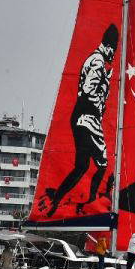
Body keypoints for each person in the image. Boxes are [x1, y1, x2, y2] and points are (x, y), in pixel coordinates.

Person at [40, 24, 118, 216]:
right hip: (89, 117)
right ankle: (93, 203)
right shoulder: (98, 62)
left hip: (81, 116)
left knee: (82, 166)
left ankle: (56, 202)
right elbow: (88, 92)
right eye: (113, 51)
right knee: (102, 164)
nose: (114, 56)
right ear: (108, 46)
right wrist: (105, 86)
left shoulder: (94, 60)